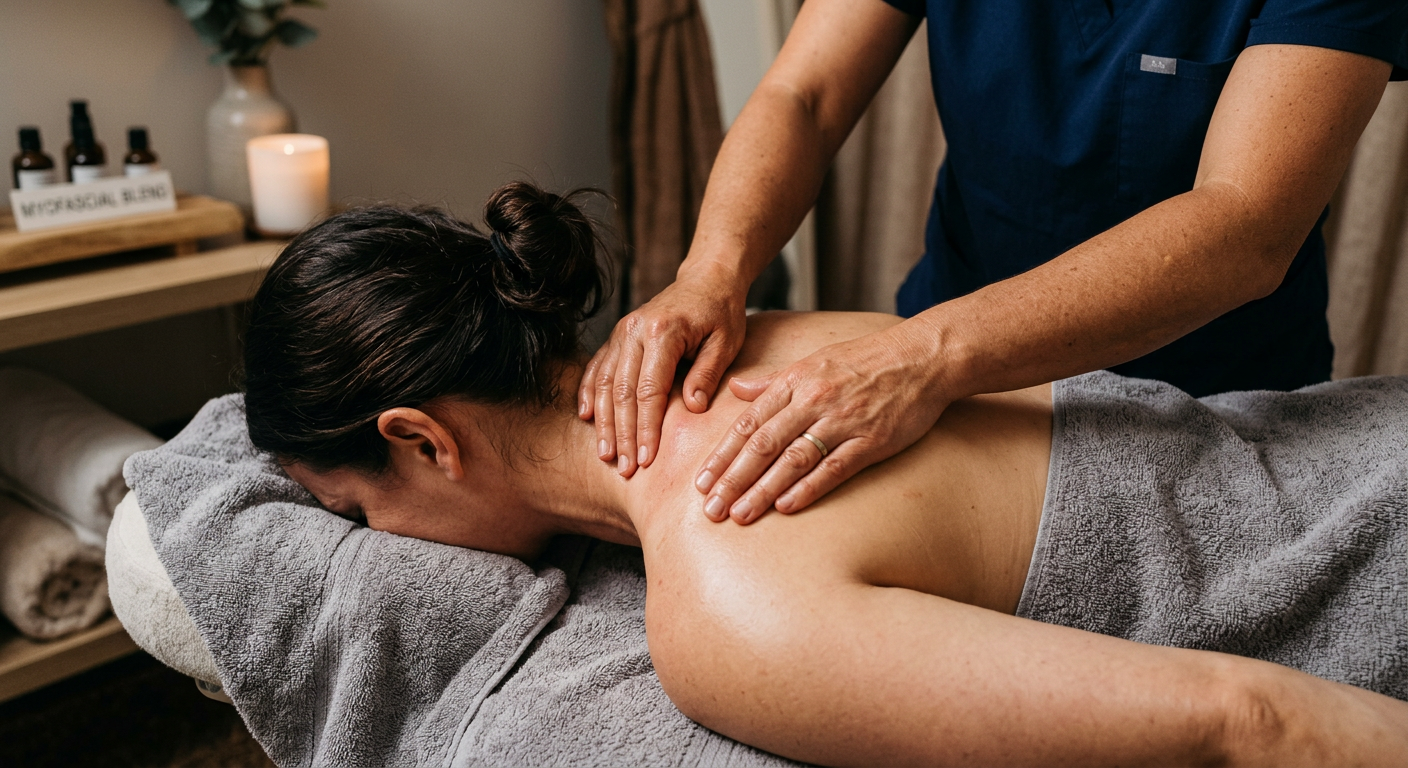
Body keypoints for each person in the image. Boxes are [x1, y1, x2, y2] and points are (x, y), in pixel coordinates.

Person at [241, 188, 1408, 766]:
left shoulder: (728, 615)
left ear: (422, 439)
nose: (376, 544)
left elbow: (1252, 719)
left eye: (356, 513)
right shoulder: (766, 339)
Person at [580, 0, 1408, 526]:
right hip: (953, 373)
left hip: (1209, 406)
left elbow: (1246, 226)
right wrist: (710, 272)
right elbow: (805, 96)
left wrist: (921, 358)